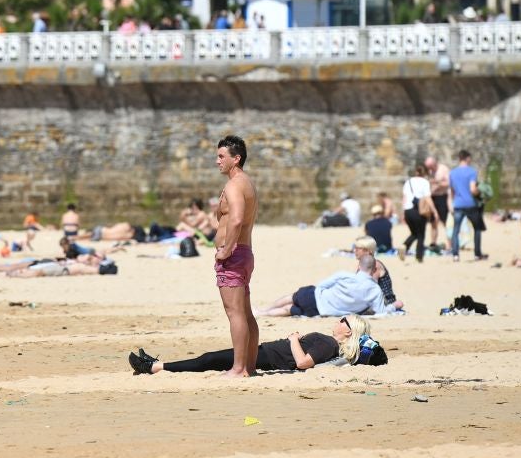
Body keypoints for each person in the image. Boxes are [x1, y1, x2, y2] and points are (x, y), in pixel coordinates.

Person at [129, 316, 384, 374]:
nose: (338, 320)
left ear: (348, 330)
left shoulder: (328, 342)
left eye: (343, 320)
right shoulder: (327, 343)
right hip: (265, 353)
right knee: (212, 359)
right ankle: (156, 365)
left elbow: (303, 363)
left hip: (268, 357)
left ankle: (154, 367)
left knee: (210, 359)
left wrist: (294, 340)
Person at [213, 134, 259, 378]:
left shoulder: (234, 184)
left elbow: (238, 219)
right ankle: (249, 367)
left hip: (234, 254)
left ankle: (239, 368)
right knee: (245, 312)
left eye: (222, 156)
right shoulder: (246, 183)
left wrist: (226, 249)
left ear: (236, 158)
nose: (217, 161)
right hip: (244, 253)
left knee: (235, 313)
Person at [257, 257, 404, 318]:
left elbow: (322, 285)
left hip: (316, 296)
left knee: (291, 297)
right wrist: (394, 306)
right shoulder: (375, 291)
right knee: (289, 310)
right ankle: (265, 314)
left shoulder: (345, 275)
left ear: (359, 266)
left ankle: (263, 311)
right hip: (321, 311)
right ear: (374, 271)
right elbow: (381, 312)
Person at [448, 149, 488, 262]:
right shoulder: (472, 172)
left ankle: (455, 255)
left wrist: (452, 203)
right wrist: (480, 193)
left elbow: (451, 191)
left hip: (458, 204)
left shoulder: (452, 172)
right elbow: (472, 189)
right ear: (467, 158)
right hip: (470, 204)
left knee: (456, 230)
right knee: (477, 229)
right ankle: (477, 254)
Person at [399, 163, 436, 263]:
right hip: (419, 211)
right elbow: (428, 198)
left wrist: (402, 213)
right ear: (425, 173)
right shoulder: (425, 182)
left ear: (416, 172)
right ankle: (419, 257)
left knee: (414, 233)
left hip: (408, 211)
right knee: (420, 235)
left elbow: (404, 198)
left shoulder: (408, 182)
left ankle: (405, 245)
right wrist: (434, 211)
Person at [425, 155, 450, 249]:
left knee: (445, 221)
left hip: (442, 197)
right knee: (433, 222)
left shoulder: (444, 169)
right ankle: (433, 242)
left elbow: (449, 183)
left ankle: (450, 243)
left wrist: (437, 183)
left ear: (434, 164)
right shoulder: (430, 171)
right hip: (432, 198)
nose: (430, 169)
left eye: (430, 166)